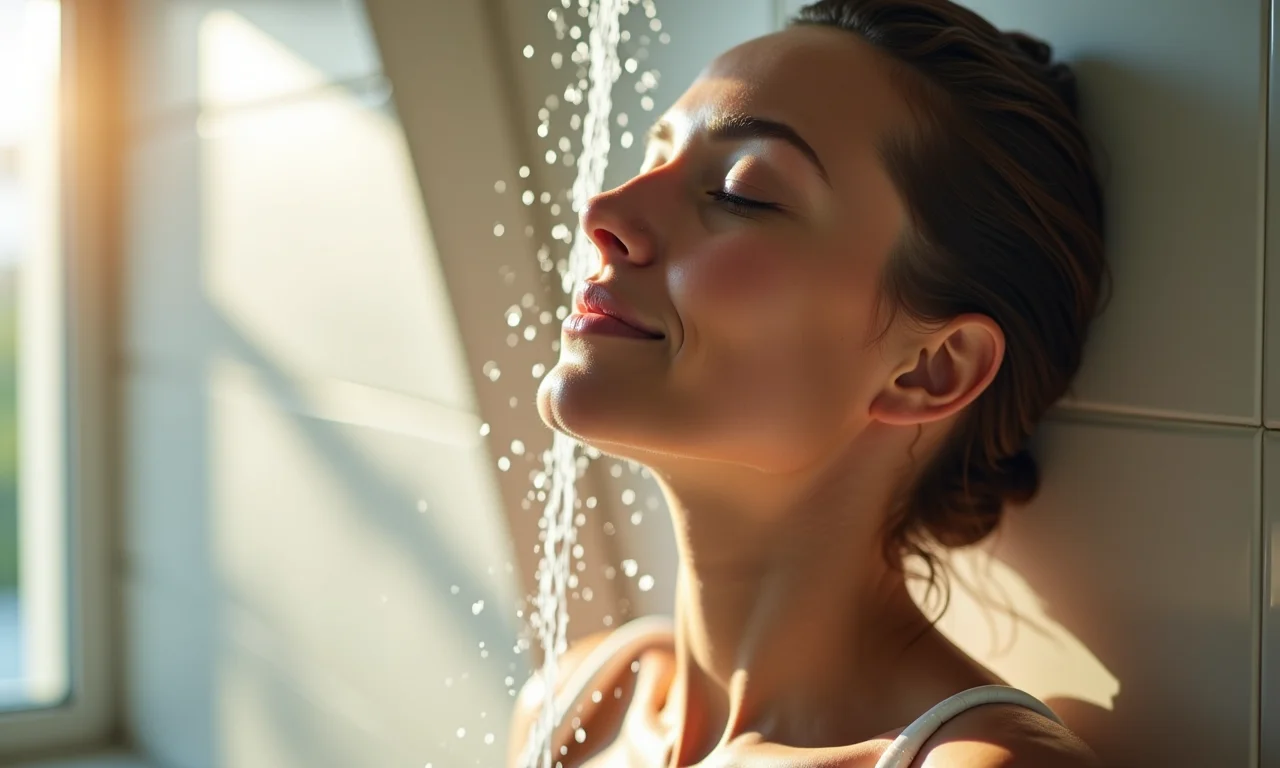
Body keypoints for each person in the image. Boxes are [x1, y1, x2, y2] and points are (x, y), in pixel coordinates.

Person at [513, 0, 1111, 765]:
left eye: (741, 192)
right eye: (652, 157)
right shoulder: (580, 705)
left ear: (931, 368)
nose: (605, 211)